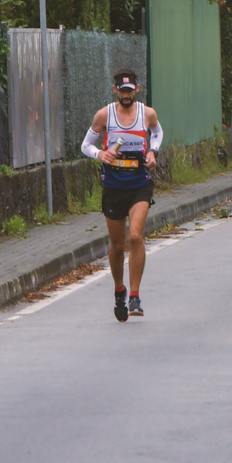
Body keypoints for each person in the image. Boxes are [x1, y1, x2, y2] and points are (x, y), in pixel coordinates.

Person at [80, 69, 163, 321]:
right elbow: (85, 145)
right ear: (115, 90)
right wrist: (100, 154)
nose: (126, 96)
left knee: (136, 236)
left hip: (140, 183)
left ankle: (135, 296)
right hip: (114, 185)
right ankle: (119, 290)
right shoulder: (104, 115)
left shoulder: (147, 114)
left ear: (137, 89)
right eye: (121, 91)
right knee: (117, 246)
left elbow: (157, 134)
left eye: (130, 91)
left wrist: (153, 153)